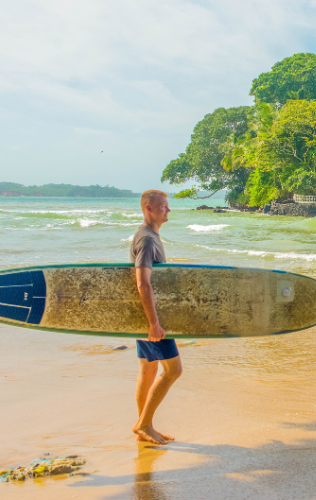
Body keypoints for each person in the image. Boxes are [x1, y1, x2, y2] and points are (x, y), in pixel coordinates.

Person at [130, 190, 183, 445]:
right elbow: (143, 284)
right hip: (152, 318)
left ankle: (145, 427)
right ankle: (143, 424)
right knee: (173, 370)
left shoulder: (148, 236)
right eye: (163, 207)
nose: (168, 210)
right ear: (149, 208)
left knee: (148, 371)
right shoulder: (148, 240)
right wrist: (154, 323)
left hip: (144, 317)